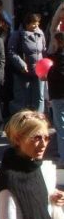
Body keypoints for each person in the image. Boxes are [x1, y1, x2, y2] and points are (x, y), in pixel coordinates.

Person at [8, 13, 47, 113]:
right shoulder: (17, 35)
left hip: (39, 70)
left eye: (37, 23)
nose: (36, 26)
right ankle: (23, 120)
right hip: (23, 71)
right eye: (33, 23)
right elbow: (11, 51)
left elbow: (44, 51)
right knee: (23, 97)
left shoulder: (40, 33)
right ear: (27, 23)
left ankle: (39, 118)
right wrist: (21, 64)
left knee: (39, 96)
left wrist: (45, 66)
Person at [48, 32, 64, 167]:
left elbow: (59, 76)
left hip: (59, 95)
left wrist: (47, 76)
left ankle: (63, 158)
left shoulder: (58, 58)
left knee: (60, 127)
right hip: (57, 95)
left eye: (54, 41)